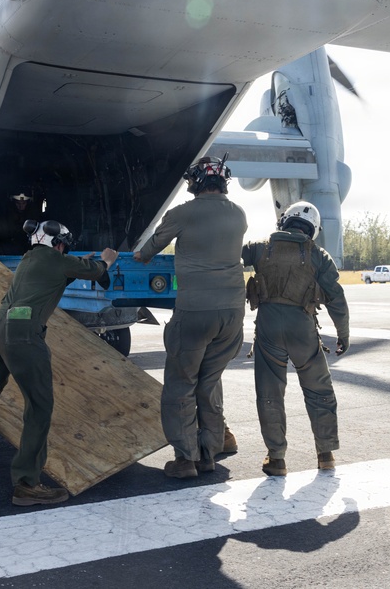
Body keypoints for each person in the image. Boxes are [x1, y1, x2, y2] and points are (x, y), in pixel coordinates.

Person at [0, 219, 117, 506]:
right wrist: (106, 260)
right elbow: (99, 272)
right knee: (39, 405)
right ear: (58, 243)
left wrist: (73, 263)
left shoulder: (30, 259)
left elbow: (55, 276)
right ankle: (27, 483)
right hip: (23, 332)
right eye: (64, 246)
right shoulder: (56, 259)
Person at [134, 157, 247, 479]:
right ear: (224, 181)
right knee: (209, 384)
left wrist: (141, 255)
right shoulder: (239, 214)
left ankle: (185, 459)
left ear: (195, 181)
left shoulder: (182, 213)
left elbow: (147, 250)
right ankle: (209, 455)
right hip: (232, 312)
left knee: (181, 385)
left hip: (195, 312)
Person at [241, 201, 350, 476]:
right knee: (319, 390)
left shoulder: (259, 247)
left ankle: (276, 458)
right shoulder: (319, 256)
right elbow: (336, 298)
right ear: (312, 229)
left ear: (285, 222)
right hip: (302, 328)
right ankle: (325, 454)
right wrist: (343, 334)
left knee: (270, 393)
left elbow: (228, 259)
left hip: (267, 328)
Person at [1, 188, 46, 254]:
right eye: (18, 203)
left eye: (23, 203)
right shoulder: (7, 215)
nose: (21, 206)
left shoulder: (33, 215)